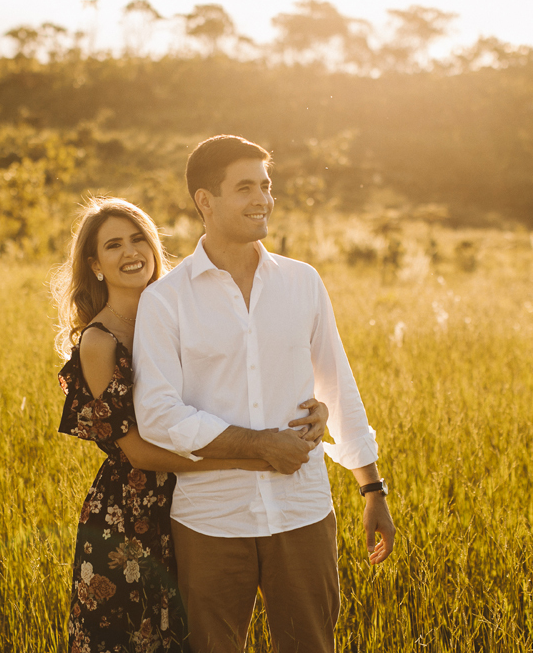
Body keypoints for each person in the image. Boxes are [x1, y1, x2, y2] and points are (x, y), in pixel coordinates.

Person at [132, 135, 397, 653]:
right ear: (205, 200)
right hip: (211, 519)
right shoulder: (166, 300)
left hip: (303, 511)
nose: (263, 199)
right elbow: (159, 414)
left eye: (267, 185)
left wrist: (372, 488)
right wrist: (259, 445)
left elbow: (336, 385)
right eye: (245, 187)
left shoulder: (302, 282)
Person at [51, 196, 330, 653]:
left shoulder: (183, 306)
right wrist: (253, 456)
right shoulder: (99, 342)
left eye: (139, 239)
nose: (130, 253)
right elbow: (137, 452)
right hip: (135, 512)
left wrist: (315, 407)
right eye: (114, 245)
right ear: (96, 264)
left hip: (189, 502)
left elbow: (250, 380)